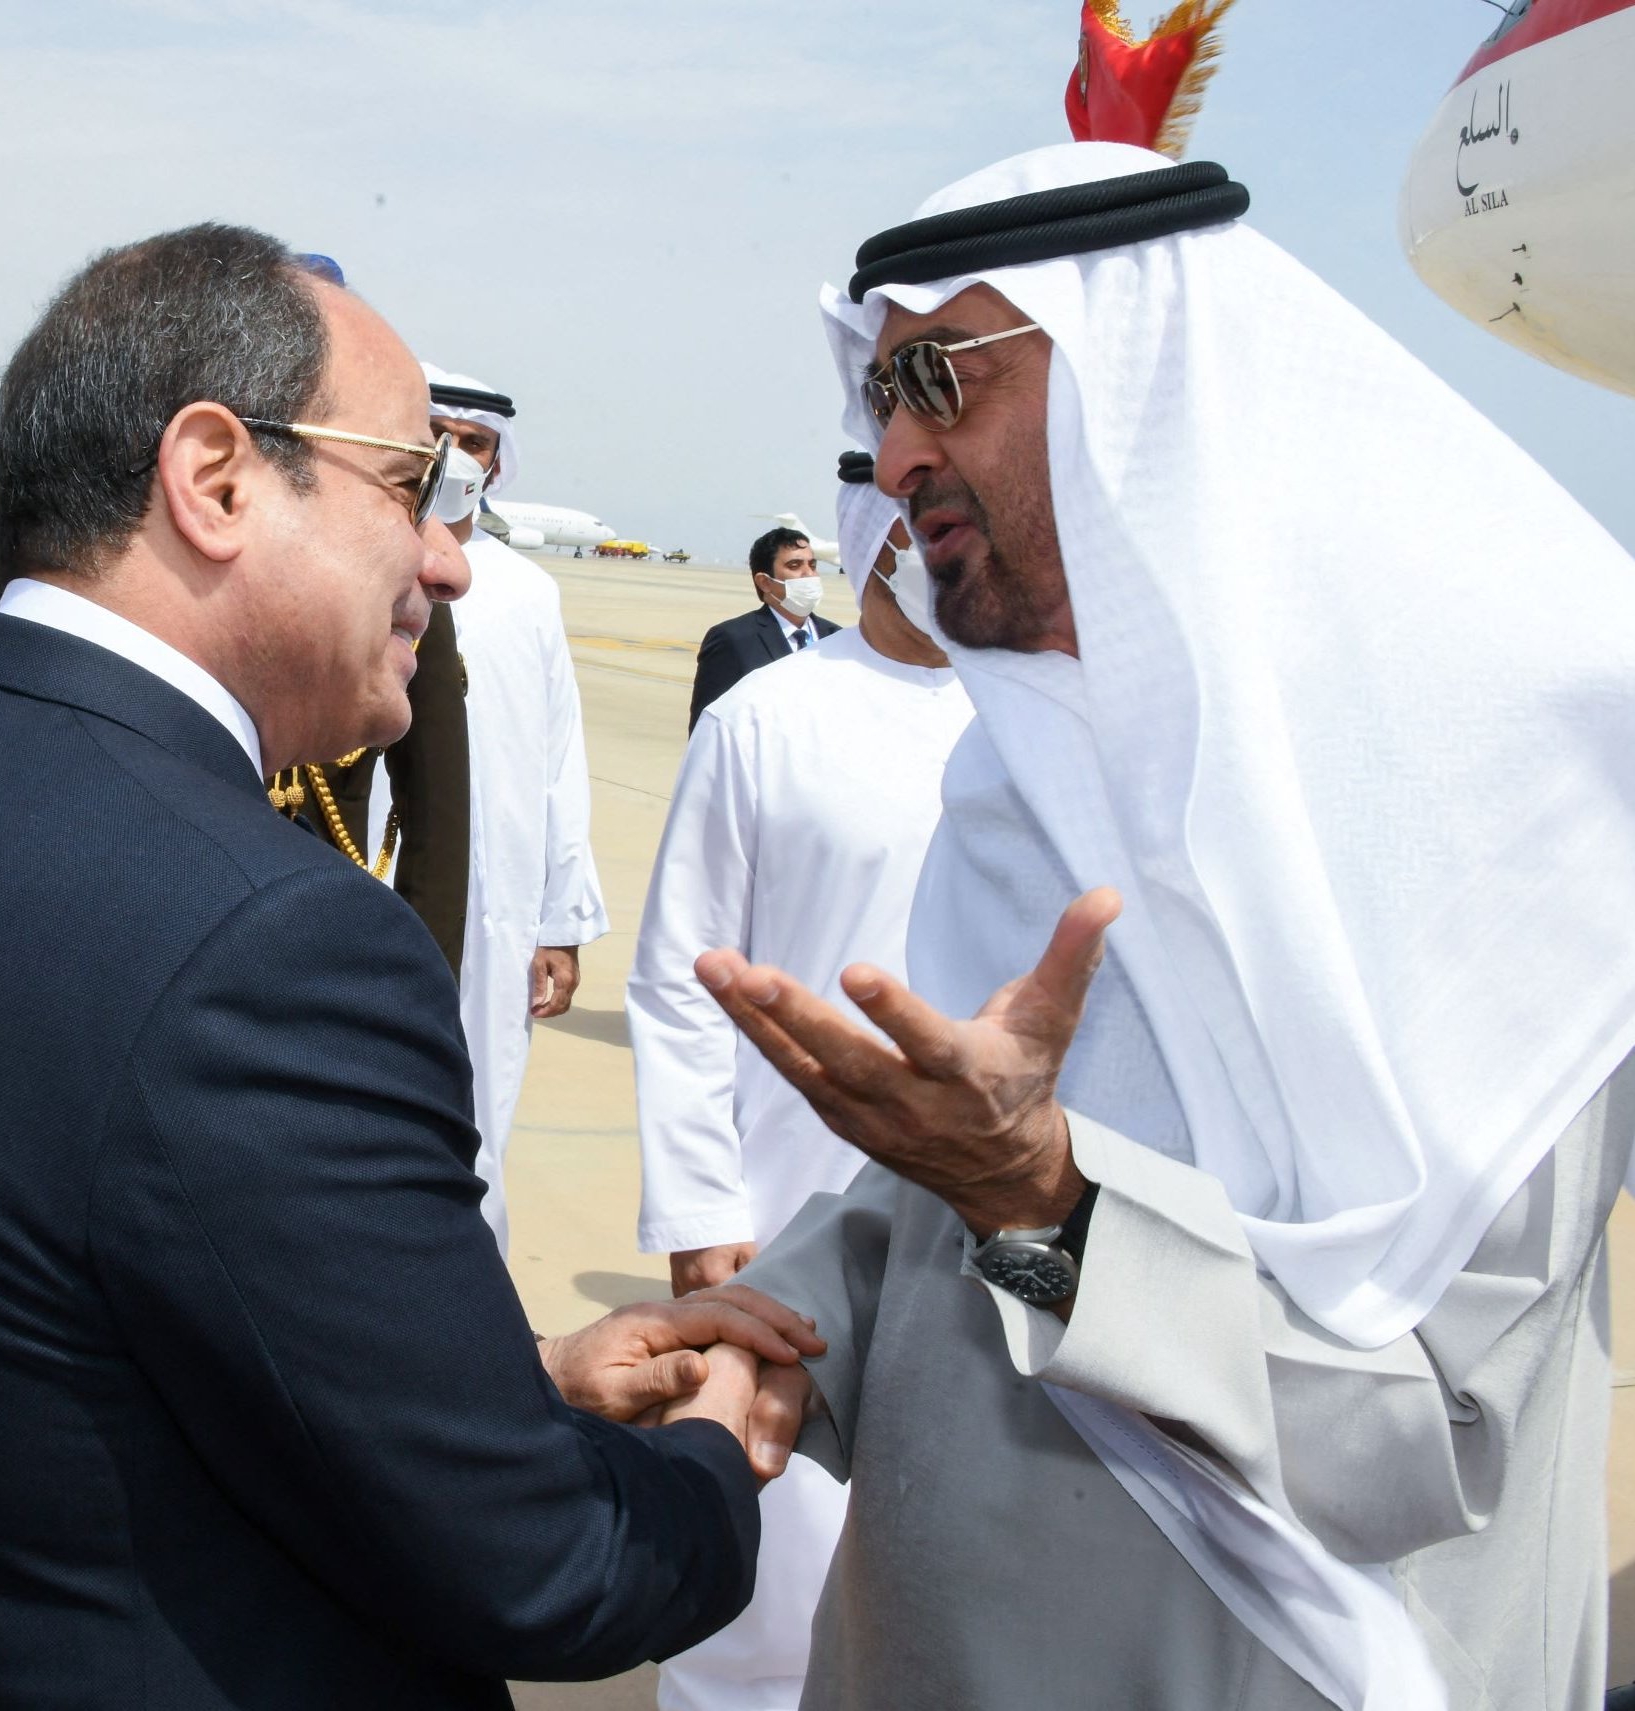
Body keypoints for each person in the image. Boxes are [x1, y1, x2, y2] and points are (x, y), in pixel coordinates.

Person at [695, 145, 1635, 1709]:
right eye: (880, 396)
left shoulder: (1490, 825)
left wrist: (1050, 1208)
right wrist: (776, 1331)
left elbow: (1426, 1427)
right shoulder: (1022, 775)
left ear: (1146, 389)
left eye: (938, 377)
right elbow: (934, 1200)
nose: (895, 447)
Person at [0, 222, 824, 1710]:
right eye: (411, 487)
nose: (452, 559)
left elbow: (67, 1330)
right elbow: (548, 1566)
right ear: (213, 479)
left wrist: (504, 1383)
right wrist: (718, 1438)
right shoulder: (271, 942)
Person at [630, 450, 971, 1711]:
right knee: (766, 1587)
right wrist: (698, 1211)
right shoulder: (765, 721)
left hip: (977, 1223)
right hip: (781, 1206)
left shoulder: (1040, 727)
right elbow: (678, 978)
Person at [376, 361, 609, 1254]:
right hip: (372, 866)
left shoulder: (526, 591)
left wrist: (560, 920)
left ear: (498, 463)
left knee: (478, 1100)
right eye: (437, 435)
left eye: (472, 443)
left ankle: (469, 1289)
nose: (453, 456)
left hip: (498, 901)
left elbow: (560, 761)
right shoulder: (368, 565)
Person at [687, 528, 840, 733]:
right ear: (765, 582)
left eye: (812, 565)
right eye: (795, 566)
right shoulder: (733, 639)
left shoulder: (835, 637)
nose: (809, 574)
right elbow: (707, 728)